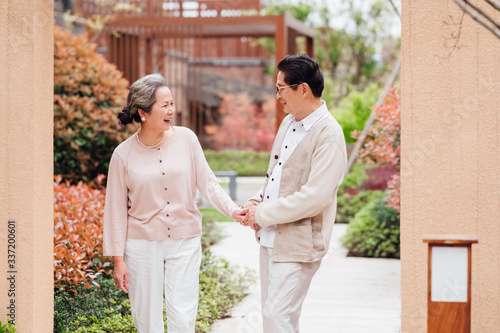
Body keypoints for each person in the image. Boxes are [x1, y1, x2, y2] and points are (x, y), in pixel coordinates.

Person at [103, 73, 245, 333]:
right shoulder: (122, 155)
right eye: (164, 105)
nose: (172, 110)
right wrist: (118, 259)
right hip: (142, 245)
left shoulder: (187, 139)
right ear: (143, 113)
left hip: (185, 240)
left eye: (172, 103)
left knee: (183, 315)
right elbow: (114, 210)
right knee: (147, 319)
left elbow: (209, 184)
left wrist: (234, 211)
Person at [241, 54, 347, 332]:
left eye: (281, 88)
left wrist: (261, 213)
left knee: (276, 316)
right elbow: (277, 174)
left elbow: (315, 196)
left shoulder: (329, 135)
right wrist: (256, 200)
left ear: (303, 89)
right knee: (279, 318)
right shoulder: (289, 122)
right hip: (270, 239)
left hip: (300, 244)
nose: (277, 96)